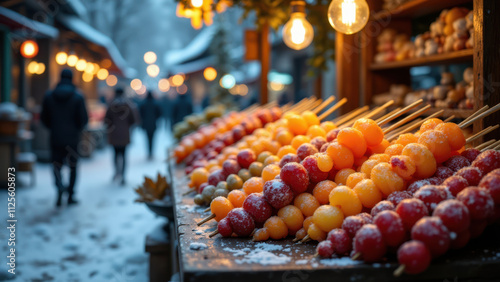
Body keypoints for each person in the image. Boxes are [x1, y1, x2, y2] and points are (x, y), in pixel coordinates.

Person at [41, 69, 88, 207]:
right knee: (73, 167)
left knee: (56, 165)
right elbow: (83, 119)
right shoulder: (78, 97)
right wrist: (75, 129)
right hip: (72, 139)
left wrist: (54, 128)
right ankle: (71, 195)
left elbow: (44, 118)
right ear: (72, 78)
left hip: (55, 137)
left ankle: (59, 186)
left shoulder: (49, 96)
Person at [105, 88, 138, 186]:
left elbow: (106, 119)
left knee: (115, 154)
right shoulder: (128, 105)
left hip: (113, 133)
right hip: (124, 134)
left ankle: (116, 172)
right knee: (124, 155)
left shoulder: (111, 105)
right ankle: (123, 175)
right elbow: (133, 120)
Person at [139, 91, 162, 159]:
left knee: (147, 138)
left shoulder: (143, 104)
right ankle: (151, 152)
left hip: (146, 124)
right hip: (153, 124)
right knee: (152, 139)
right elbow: (159, 113)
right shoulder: (155, 104)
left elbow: (140, 114)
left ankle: (149, 152)